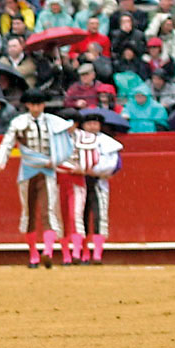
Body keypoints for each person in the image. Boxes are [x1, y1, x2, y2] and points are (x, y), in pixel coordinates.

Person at [0, 88, 74, 267]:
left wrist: (58, 160)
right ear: (27, 105)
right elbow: (7, 143)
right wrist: (1, 160)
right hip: (28, 171)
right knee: (28, 212)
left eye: (39, 104)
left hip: (47, 171)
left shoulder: (54, 122)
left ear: (44, 105)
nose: (36, 108)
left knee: (48, 210)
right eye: (32, 104)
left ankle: (47, 251)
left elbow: (65, 143)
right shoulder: (19, 122)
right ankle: (33, 254)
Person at [58, 109, 122, 264]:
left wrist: (89, 170)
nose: (92, 126)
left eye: (95, 123)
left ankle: (97, 254)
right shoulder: (78, 139)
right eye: (89, 123)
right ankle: (84, 252)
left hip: (97, 182)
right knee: (81, 217)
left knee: (99, 217)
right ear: (83, 125)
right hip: (78, 181)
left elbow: (115, 165)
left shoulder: (106, 142)